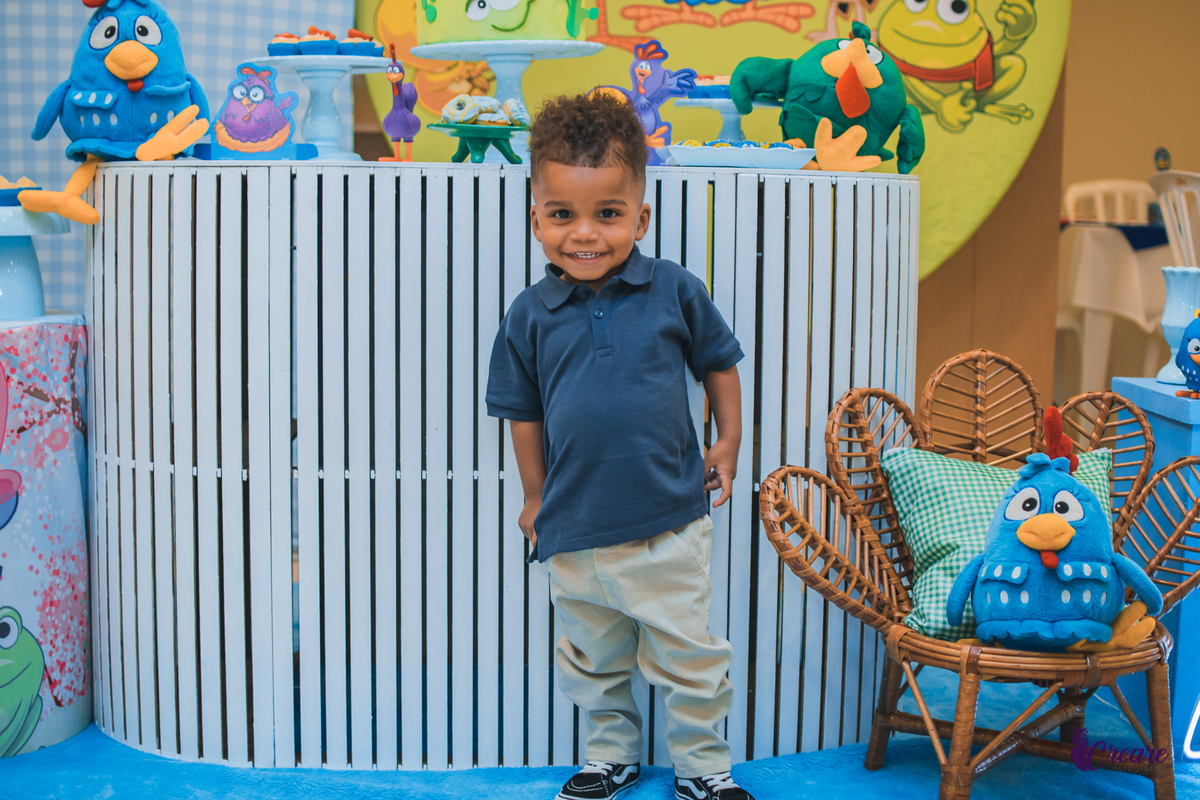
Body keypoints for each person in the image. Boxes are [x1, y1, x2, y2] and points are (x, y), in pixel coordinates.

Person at [486, 92, 752, 800]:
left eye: (608, 214)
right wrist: (537, 497)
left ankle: (701, 768)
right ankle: (613, 754)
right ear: (536, 217)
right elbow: (522, 414)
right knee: (594, 659)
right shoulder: (528, 315)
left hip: (667, 518)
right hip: (574, 530)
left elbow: (718, 363)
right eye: (563, 214)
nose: (586, 234)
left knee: (690, 657)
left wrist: (726, 443)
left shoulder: (673, 291)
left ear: (641, 216)